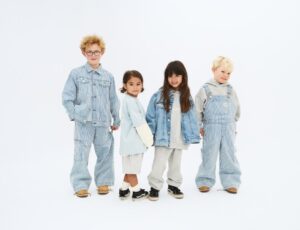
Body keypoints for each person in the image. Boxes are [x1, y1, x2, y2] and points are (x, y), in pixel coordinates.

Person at [62, 35, 120, 198]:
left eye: (96, 52)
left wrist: (116, 119)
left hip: (103, 122)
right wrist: (76, 114)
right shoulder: (76, 74)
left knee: (105, 153)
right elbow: (67, 98)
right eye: (89, 52)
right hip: (84, 123)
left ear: (102, 52)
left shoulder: (108, 76)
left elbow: (113, 99)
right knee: (81, 154)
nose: (93, 55)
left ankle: (103, 182)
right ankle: (80, 184)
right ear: (83, 53)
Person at [146, 60, 200, 201]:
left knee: (176, 164)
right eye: (170, 76)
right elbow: (150, 116)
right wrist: (150, 134)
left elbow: (192, 117)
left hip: (180, 137)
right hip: (163, 137)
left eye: (177, 75)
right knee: (159, 163)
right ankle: (154, 187)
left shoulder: (186, 97)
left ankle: (173, 185)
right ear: (166, 78)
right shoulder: (158, 96)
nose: (174, 79)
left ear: (183, 77)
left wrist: (194, 133)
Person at [195, 56, 241, 194]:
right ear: (214, 70)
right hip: (211, 128)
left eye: (228, 73)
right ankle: (204, 180)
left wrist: (233, 124)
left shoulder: (230, 90)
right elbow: (197, 109)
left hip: (228, 127)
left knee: (229, 154)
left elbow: (237, 108)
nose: (226, 75)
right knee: (209, 153)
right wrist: (199, 126)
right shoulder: (205, 89)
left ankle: (231, 181)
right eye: (223, 71)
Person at [118, 70, 153, 201]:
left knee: (129, 167)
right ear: (125, 85)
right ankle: (136, 191)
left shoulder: (130, 99)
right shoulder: (131, 101)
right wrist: (149, 139)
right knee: (133, 170)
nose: (135, 87)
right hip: (133, 143)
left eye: (138, 84)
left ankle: (124, 189)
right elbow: (139, 123)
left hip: (129, 143)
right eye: (131, 84)